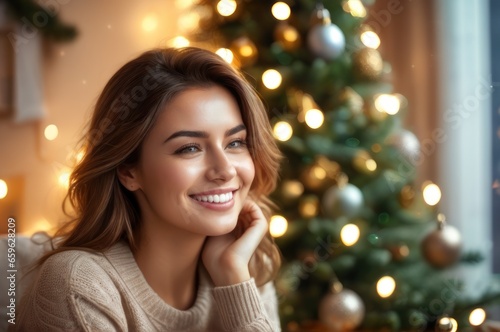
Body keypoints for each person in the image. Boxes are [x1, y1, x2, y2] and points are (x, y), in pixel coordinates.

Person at [15, 47, 283, 331]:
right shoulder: (78, 286)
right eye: (189, 148)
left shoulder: (245, 263)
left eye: (235, 143)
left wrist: (233, 277)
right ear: (129, 170)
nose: (226, 170)